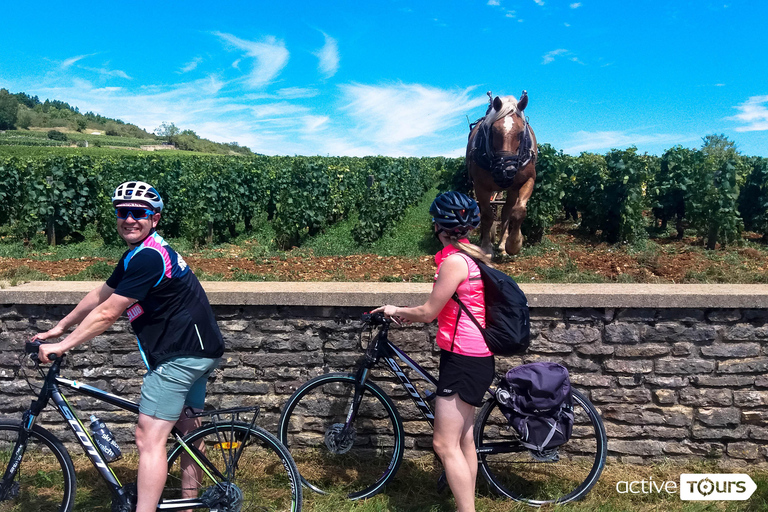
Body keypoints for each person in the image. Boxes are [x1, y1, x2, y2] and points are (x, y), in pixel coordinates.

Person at [34, 180, 225, 512]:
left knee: (148, 438)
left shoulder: (148, 257)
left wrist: (63, 345)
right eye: (123, 212)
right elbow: (100, 295)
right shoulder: (139, 254)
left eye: (139, 212)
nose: (130, 218)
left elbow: (108, 312)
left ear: (155, 218)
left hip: (178, 356)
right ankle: (190, 505)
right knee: (188, 430)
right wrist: (59, 327)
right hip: (199, 350)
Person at [372, 191, 493, 512]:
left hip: (464, 360)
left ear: (439, 225)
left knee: (443, 443)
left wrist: (393, 309)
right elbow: (446, 309)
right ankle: (465, 506)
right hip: (474, 356)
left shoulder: (454, 261)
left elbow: (428, 311)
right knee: (463, 439)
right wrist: (410, 314)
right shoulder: (471, 256)